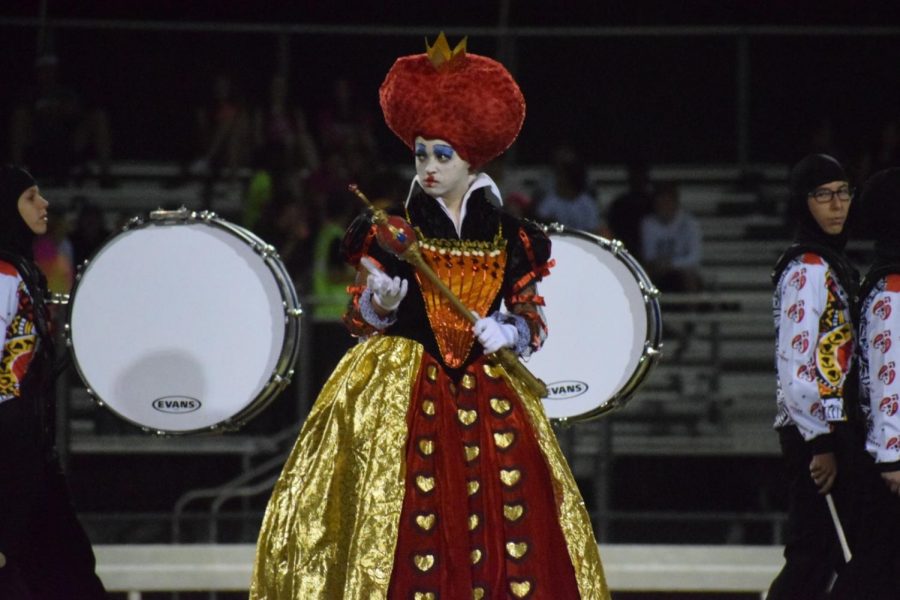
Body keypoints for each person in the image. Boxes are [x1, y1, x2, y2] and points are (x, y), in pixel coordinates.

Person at [251, 34, 608, 599]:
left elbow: (532, 319)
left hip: (488, 390)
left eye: (443, 155)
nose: (430, 166)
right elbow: (356, 318)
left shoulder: (512, 235)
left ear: (472, 160)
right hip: (403, 380)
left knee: (506, 516)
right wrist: (380, 305)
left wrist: (509, 329)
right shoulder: (392, 230)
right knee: (399, 512)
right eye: (422, 153)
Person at [0, 166, 106, 598]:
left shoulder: (19, 269)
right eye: (30, 197)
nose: (44, 205)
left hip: (31, 458)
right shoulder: (3, 275)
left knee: (70, 572)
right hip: (10, 461)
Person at [767, 154, 861, 599]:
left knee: (827, 557)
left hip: (827, 428)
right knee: (811, 556)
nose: (837, 205)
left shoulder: (830, 262)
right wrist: (820, 443)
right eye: (823, 195)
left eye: (843, 192)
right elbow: (796, 362)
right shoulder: (807, 268)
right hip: (813, 432)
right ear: (803, 203)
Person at [847, 167, 900, 598]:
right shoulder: (892, 288)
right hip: (893, 463)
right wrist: (892, 456)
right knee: (877, 571)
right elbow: (890, 375)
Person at [639, 182, 703, 292]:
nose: (664, 207)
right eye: (660, 203)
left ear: (675, 202)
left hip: (683, 272)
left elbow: (694, 258)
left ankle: (691, 308)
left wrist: (671, 264)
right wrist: (660, 266)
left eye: (667, 202)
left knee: (688, 277)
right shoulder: (648, 224)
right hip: (658, 273)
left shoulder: (690, 224)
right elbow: (649, 256)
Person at [534, 145, 604, 234]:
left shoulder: (587, 204)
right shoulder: (550, 202)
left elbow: (593, 230)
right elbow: (540, 226)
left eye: (562, 177)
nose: (559, 180)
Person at [606, 159, 653, 259]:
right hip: (624, 252)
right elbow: (612, 231)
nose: (638, 180)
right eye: (635, 176)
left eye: (641, 176)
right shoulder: (619, 204)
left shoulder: (653, 203)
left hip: (651, 257)